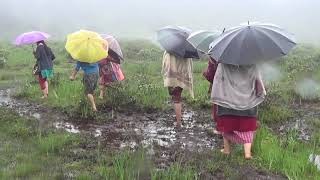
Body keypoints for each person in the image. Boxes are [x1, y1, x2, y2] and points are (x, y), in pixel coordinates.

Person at [209, 62, 266, 159]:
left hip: (227, 102)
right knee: (248, 128)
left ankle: (227, 150)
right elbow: (258, 81)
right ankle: (247, 154)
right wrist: (260, 93)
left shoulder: (223, 63)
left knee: (226, 126)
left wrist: (217, 96)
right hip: (248, 102)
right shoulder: (253, 63)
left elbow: (218, 80)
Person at [161, 51, 194, 128]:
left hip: (174, 76)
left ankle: (178, 123)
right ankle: (179, 117)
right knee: (177, 96)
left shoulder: (171, 49)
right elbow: (189, 65)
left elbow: (168, 64)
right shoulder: (186, 49)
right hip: (183, 74)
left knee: (176, 98)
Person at [203, 57, 220, 134]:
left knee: (219, 107)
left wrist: (205, 73)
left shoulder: (214, 56)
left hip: (219, 88)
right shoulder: (239, 56)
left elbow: (211, 75)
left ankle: (220, 129)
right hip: (235, 88)